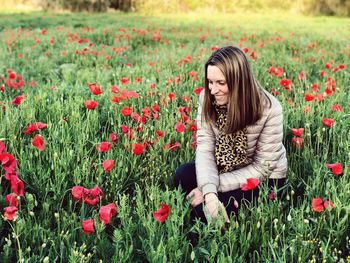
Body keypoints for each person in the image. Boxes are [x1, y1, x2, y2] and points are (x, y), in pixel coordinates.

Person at [174, 46, 288, 224]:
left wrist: (209, 189)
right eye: (210, 82)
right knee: (182, 175)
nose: (213, 90)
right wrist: (210, 192)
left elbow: (262, 168)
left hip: (262, 178)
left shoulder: (270, 108)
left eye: (221, 83)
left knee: (202, 214)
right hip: (227, 167)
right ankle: (205, 200)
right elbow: (205, 148)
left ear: (239, 82)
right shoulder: (206, 98)